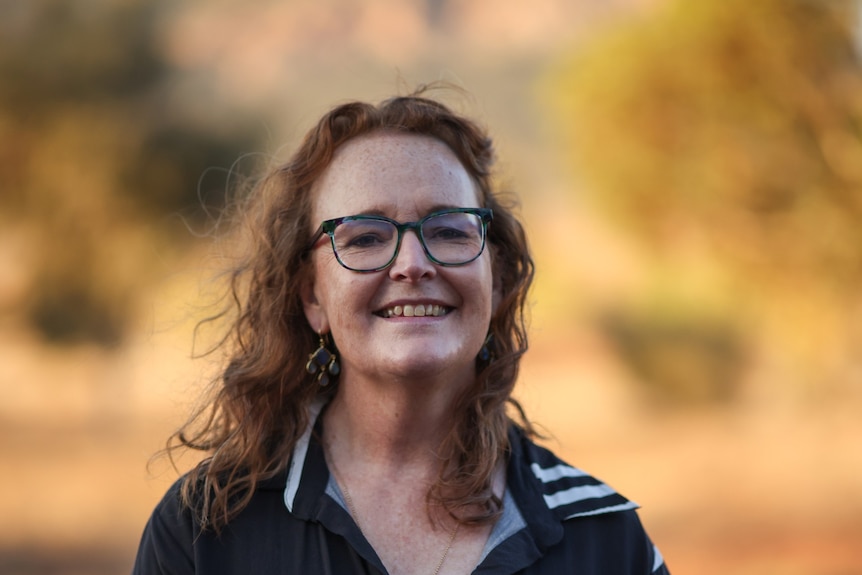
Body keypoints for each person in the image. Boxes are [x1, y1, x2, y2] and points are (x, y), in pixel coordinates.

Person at [132, 87, 670, 575]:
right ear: (312, 296)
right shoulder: (206, 530)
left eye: (448, 230)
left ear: (498, 278)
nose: (412, 264)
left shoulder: (605, 540)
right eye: (365, 238)